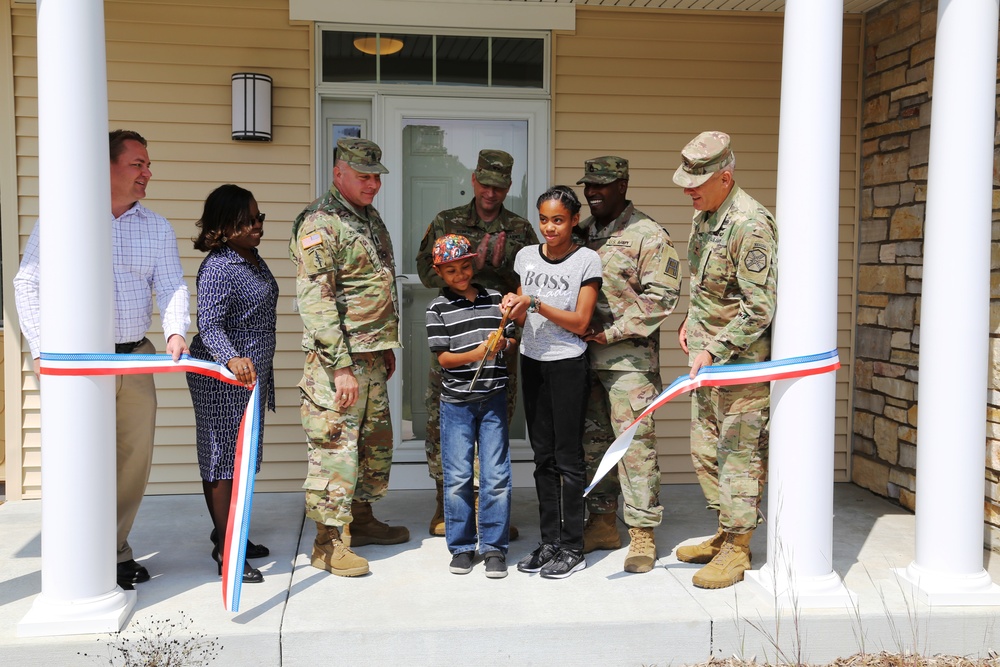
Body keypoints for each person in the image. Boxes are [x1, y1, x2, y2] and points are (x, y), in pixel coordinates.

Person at [13, 129, 191, 590]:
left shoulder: (155, 226)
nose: (147, 173)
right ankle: (79, 553)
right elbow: (26, 283)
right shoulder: (64, 220)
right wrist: (38, 347)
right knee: (80, 461)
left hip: (134, 359)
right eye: (137, 164)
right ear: (106, 167)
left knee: (133, 461)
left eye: (147, 165)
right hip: (78, 366)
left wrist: (176, 329)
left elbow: (172, 283)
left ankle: (114, 551)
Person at [290, 137, 409, 578]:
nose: (373, 184)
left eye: (377, 176)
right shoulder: (319, 224)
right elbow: (317, 302)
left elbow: (373, 286)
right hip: (336, 363)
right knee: (335, 449)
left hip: (371, 356)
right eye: (364, 176)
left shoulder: (369, 218)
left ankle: (359, 519)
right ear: (338, 172)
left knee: (372, 448)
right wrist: (340, 366)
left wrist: (383, 347)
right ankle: (328, 543)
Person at [415, 149, 538, 538]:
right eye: (485, 184)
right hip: (455, 331)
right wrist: (465, 273)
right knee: (444, 421)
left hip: (497, 335)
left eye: (499, 187)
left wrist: (501, 276)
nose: (491, 193)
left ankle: (492, 511)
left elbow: (530, 280)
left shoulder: (519, 230)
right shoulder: (447, 221)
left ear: (508, 187)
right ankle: (446, 505)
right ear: (474, 179)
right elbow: (424, 270)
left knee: (495, 421)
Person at [673, 131, 777, 589]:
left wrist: (713, 347)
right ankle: (723, 532)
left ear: (726, 177)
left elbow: (759, 308)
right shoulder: (705, 215)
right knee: (705, 452)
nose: (688, 191)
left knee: (739, 457)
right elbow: (707, 287)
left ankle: (739, 549)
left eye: (697, 183)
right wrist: (689, 324)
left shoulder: (750, 224)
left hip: (740, 365)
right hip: (709, 362)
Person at [576, 156, 681, 574]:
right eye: (589, 186)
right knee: (594, 445)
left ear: (622, 184)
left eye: (602, 185)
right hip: (584, 361)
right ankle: (602, 523)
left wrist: (611, 333)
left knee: (636, 450)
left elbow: (662, 298)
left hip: (628, 363)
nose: (593, 193)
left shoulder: (648, 234)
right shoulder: (581, 233)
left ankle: (642, 531)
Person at [502, 186, 601, 580]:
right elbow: (523, 317)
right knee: (541, 457)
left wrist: (537, 304)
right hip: (532, 360)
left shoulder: (586, 260)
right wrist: (512, 309)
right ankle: (549, 543)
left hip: (567, 365)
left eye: (558, 220)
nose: (549, 227)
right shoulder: (526, 256)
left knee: (568, 458)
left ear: (574, 220)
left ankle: (573, 546)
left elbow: (580, 323)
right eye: (543, 219)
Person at [186, 184, 278, 584]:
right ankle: (226, 548)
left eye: (260, 218)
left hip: (251, 378)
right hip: (221, 377)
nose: (258, 226)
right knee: (224, 460)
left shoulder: (252, 258)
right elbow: (209, 324)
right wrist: (231, 358)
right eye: (250, 220)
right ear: (226, 226)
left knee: (244, 459)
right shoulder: (219, 266)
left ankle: (229, 531)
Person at [425, 234, 514, 579]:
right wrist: (478, 354)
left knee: (495, 476)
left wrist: (503, 341)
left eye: (464, 267)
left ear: (474, 264)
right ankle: (462, 547)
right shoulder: (437, 309)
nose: (460, 275)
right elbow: (445, 358)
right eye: (451, 271)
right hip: (457, 404)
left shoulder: (494, 300)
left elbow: (509, 338)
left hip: (492, 400)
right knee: (459, 476)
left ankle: (494, 547)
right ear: (439, 273)